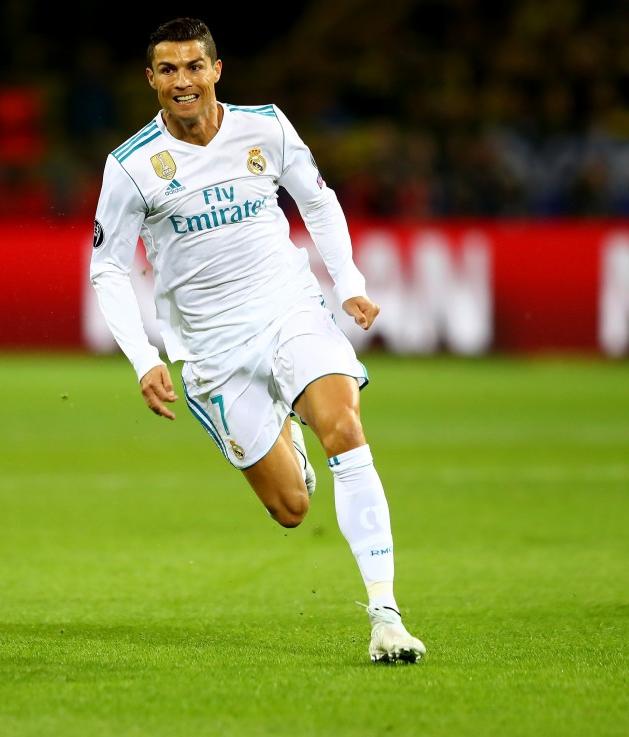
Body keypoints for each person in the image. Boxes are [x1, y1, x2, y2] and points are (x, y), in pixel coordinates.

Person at [89, 17, 426, 663]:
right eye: (168, 69)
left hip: (289, 308)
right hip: (213, 351)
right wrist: (143, 358)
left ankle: (386, 615)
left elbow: (318, 200)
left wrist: (347, 280)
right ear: (151, 80)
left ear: (217, 69)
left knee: (346, 432)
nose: (182, 81)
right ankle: (283, 430)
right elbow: (107, 266)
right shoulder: (131, 167)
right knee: (293, 507)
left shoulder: (265, 126)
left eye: (194, 66)